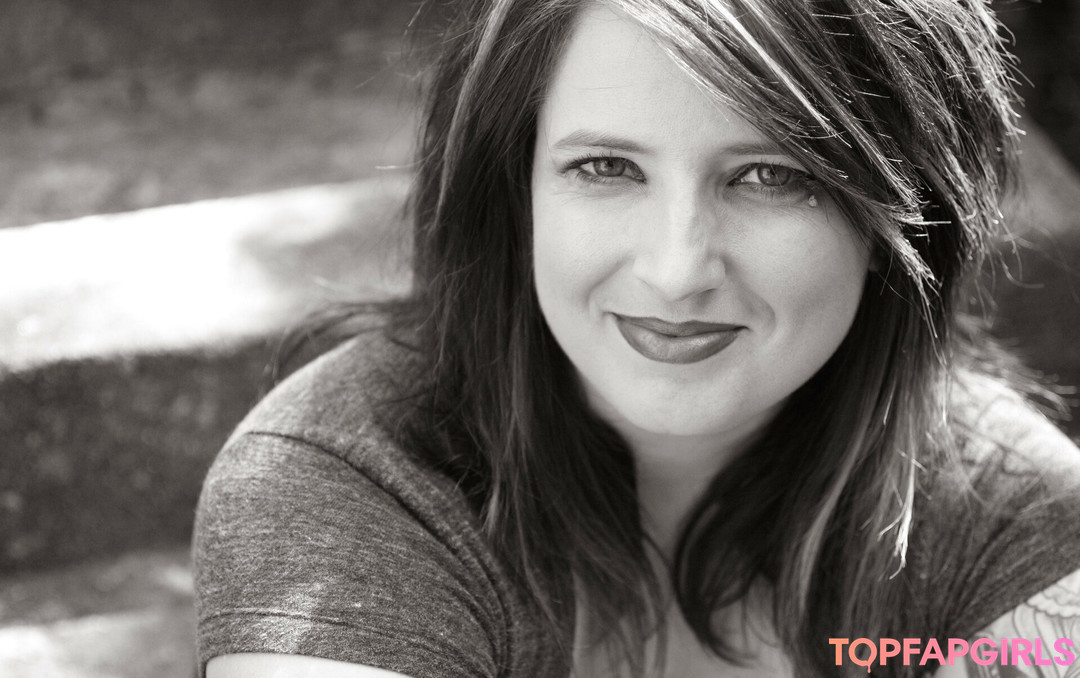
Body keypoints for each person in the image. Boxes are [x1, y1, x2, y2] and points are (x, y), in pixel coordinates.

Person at [193, 0, 1080, 676]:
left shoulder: (1015, 519)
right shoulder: (343, 488)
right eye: (606, 167)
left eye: (772, 175)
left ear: (908, 212)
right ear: (516, 194)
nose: (676, 270)